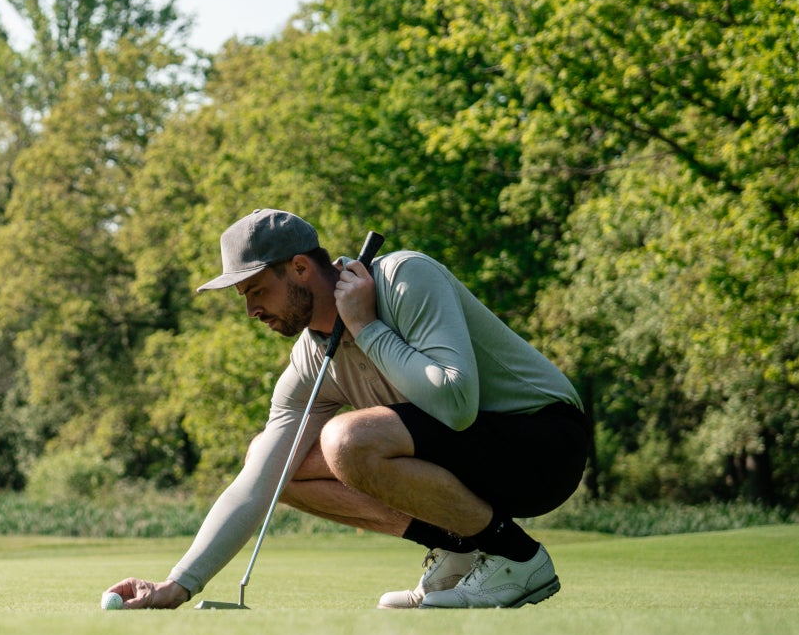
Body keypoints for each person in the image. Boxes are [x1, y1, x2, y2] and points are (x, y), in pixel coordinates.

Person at [106, 208, 589, 611]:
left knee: (346, 439)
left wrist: (365, 327)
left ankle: (517, 557)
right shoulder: (312, 355)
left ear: (299, 268)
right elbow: (258, 483)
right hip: (474, 464)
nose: (251, 311)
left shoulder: (404, 278)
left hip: (545, 444)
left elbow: (456, 404)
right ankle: (464, 548)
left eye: (256, 291)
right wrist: (178, 584)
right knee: (278, 466)